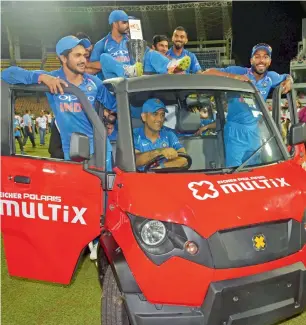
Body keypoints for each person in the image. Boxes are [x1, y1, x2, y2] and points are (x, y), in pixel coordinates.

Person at [2, 35, 115, 170]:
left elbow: (114, 106)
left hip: (101, 150)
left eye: (84, 55)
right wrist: (42, 77)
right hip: (73, 152)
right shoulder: (52, 80)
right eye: (77, 56)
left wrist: (111, 118)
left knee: (106, 190)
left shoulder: (94, 82)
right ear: (63, 58)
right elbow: (8, 74)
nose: (83, 60)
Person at [204, 43, 293, 100]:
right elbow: (207, 73)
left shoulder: (271, 77)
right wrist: (234, 77)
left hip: (256, 127)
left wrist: (289, 80)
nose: (261, 60)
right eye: (257, 57)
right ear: (251, 60)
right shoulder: (239, 71)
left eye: (265, 57)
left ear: (269, 61)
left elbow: (287, 76)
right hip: (234, 127)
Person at [86, 10, 142, 78]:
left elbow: (138, 64)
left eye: (128, 23)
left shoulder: (131, 41)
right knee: (105, 57)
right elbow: (91, 68)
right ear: (115, 24)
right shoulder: (102, 44)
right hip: (113, 82)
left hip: (131, 80)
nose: (127, 25)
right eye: (124, 22)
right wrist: (111, 64)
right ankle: (126, 71)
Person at [134, 98, 187, 169]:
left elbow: (184, 159)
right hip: (140, 178)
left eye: (162, 115)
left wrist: (161, 167)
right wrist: (160, 151)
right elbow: (135, 160)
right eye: (155, 114)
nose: (159, 119)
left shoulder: (169, 134)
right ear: (144, 117)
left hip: (165, 178)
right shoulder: (134, 135)